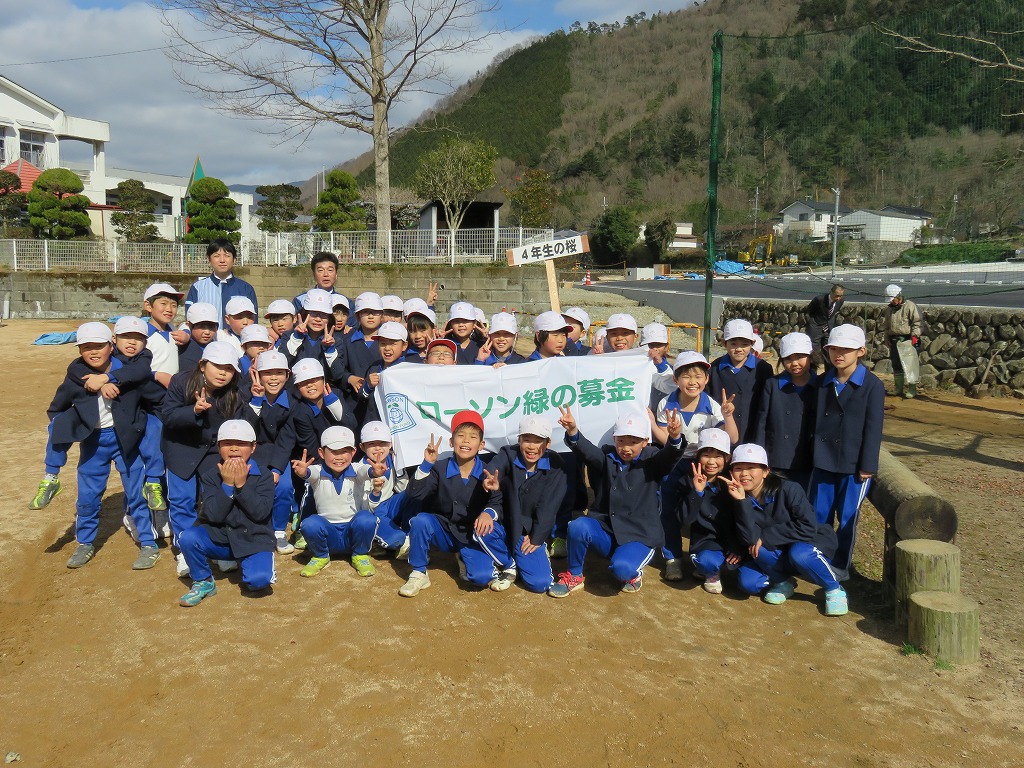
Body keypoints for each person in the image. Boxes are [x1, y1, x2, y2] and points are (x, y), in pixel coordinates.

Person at [43, 322, 160, 570]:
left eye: (99, 346)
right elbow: (57, 407)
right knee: (88, 496)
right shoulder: (76, 374)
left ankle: (149, 544)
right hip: (93, 442)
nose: (93, 352)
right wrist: (65, 423)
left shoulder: (130, 371)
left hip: (125, 441)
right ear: (79, 351)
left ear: (111, 346)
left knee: (136, 493)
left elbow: (154, 396)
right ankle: (85, 543)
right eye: (86, 347)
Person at [549, 407, 683, 597]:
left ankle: (633, 573)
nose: (626, 447)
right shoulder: (608, 457)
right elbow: (587, 451)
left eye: (633, 442)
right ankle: (575, 574)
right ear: (614, 439)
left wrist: (675, 438)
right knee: (578, 526)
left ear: (645, 442)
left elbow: (669, 456)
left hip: (638, 535)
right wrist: (572, 431)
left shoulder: (652, 461)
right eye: (621, 441)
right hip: (608, 529)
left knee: (622, 570)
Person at [725, 443, 848, 616]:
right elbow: (749, 539)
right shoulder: (736, 497)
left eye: (751, 468)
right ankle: (783, 582)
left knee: (800, 554)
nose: (744, 474)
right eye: (738, 468)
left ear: (766, 471)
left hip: (806, 542)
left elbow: (807, 526)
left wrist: (766, 536)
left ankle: (834, 589)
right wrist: (742, 503)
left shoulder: (789, 489)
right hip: (775, 550)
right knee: (749, 582)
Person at [399, 410, 508, 597]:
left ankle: (464, 558)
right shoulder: (439, 468)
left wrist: (488, 513)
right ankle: (418, 572)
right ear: (451, 442)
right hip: (444, 531)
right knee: (420, 521)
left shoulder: (487, 472)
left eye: (473, 437)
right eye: (460, 436)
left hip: (472, 536)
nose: (466, 441)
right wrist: (426, 464)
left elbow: (498, 503)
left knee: (480, 578)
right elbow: (415, 494)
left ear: (481, 445)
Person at [162, 340, 245, 577]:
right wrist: (194, 411)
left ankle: (217, 549)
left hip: (213, 452)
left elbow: (237, 428)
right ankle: (185, 552)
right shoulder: (181, 382)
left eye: (229, 368)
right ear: (202, 365)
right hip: (181, 449)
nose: (222, 372)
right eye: (217, 366)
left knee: (217, 500)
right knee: (182, 501)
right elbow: (168, 416)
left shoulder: (235, 393)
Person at [653, 350, 738, 580]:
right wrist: (667, 433)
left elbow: (731, 439)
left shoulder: (712, 405)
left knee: (701, 510)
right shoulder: (666, 403)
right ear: (675, 380)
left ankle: (701, 555)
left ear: (707, 379)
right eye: (686, 376)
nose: (693, 382)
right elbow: (663, 438)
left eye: (699, 376)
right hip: (673, 462)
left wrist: (728, 416)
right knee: (669, 511)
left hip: (704, 466)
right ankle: (673, 559)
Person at [809, 324, 885, 581]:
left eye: (846, 349)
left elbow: (874, 428)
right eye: (833, 349)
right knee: (820, 514)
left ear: (861, 351)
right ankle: (819, 559)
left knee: (848, 517)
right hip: (823, 460)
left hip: (854, 465)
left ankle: (841, 566)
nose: (838, 354)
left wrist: (868, 465)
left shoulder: (872, 385)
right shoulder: (822, 382)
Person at [177, 420, 276, 606]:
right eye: (227, 444)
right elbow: (214, 515)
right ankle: (203, 581)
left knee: (259, 581)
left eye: (241, 444)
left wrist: (242, 485)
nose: (234, 449)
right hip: (221, 538)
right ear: (218, 447)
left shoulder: (264, 476)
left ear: (253, 447)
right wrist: (228, 485)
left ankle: (252, 564)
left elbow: (260, 513)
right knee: (188, 538)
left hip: (253, 539)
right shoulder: (210, 475)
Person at [483, 415, 566, 593]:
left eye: (538, 441)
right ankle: (509, 564)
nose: (531, 446)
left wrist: (537, 536)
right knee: (481, 528)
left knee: (539, 584)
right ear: (519, 440)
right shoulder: (508, 453)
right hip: (506, 524)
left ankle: (528, 555)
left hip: (527, 533)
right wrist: (489, 479)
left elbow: (549, 506)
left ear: (548, 443)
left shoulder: (556, 465)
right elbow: (493, 467)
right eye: (526, 439)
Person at [290, 426, 386, 578]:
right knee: (310, 523)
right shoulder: (318, 471)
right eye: (334, 452)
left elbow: (366, 471)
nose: (339, 457)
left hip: (352, 533)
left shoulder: (357, 469)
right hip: (329, 535)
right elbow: (309, 473)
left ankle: (359, 555)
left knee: (366, 519)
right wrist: (303, 472)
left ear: (353, 452)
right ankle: (321, 556)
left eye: (344, 451)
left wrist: (375, 472)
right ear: (322, 453)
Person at [243, 350, 299, 554]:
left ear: (287, 375)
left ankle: (278, 531)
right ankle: (254, 530)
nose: (273, 378)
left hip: (279, 456)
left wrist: (276, 468)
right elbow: (245, 429)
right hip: (251, 454)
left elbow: (287, 438)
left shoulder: (293, 401)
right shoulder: (245, 395)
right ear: (256, 374)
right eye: (267, 373)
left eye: (279, 373)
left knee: (284, 487)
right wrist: (256, 400)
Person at [754, 332, 819, 490]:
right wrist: (758, 457)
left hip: (807, 458)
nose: (794, 363)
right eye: (788, 358)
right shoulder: (772, 385)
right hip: (776, 457)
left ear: (811, 357)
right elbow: (761, 421)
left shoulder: (820, 386)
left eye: (800, 357)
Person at [680, 428, 739, 594]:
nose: (712, 462)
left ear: (727, 458)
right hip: (706, 542)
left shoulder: (735, 481)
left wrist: (738, 545)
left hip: (734, 540)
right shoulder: (688, 481)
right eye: (706, 454)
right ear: (698, 456)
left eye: (718, 456)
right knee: (707, 562)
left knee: (750, 581)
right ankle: (712, 572)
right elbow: (685, 520)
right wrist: (697, 492)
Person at [708, 318, 774, 442]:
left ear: (752, 344)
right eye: (733, 344)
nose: (739, 349)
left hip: (751, 434)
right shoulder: (714, 369)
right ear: (724, 343)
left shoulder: (763, 369)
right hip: (721, 436)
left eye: (744, 344)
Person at [184, 239, 259, 329]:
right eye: (216, 256)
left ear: (234, 259)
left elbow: (253, 322)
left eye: (227, 256)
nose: (222, 260)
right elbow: (190, 319)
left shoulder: (246, 289)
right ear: (209, 259)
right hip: (208, 341)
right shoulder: (198, 288)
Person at [879, 283, 922, 398]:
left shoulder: (910, 306)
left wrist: (915, 338)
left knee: (911, 365)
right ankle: (898, 389)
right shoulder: (889, 310)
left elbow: (917, 323)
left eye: (893, 300)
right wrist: (887, 338)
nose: (891, 302)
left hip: (908, 339)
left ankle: (912, 389)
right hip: (894, 341)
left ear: (899, 296)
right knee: (896, 365)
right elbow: (886, 326)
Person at [804, 284, 845, 365]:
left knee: (829, 350)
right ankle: (813, 371)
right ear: (831, 292)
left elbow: (833, 313)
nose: (838, 298)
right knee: (814, 350)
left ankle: (829, 373)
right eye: (836, 295)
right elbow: (809, 311)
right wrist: (813, 323)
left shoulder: (840, 301)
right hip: (815, 327)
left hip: (828, 327)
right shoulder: (819, 300)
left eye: (840, 296)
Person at [178, 302, 220, 373]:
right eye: (201, 326)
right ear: (189, 325)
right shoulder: (183, 347)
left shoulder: (217, 346)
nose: (207, 332)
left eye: (211, 327)